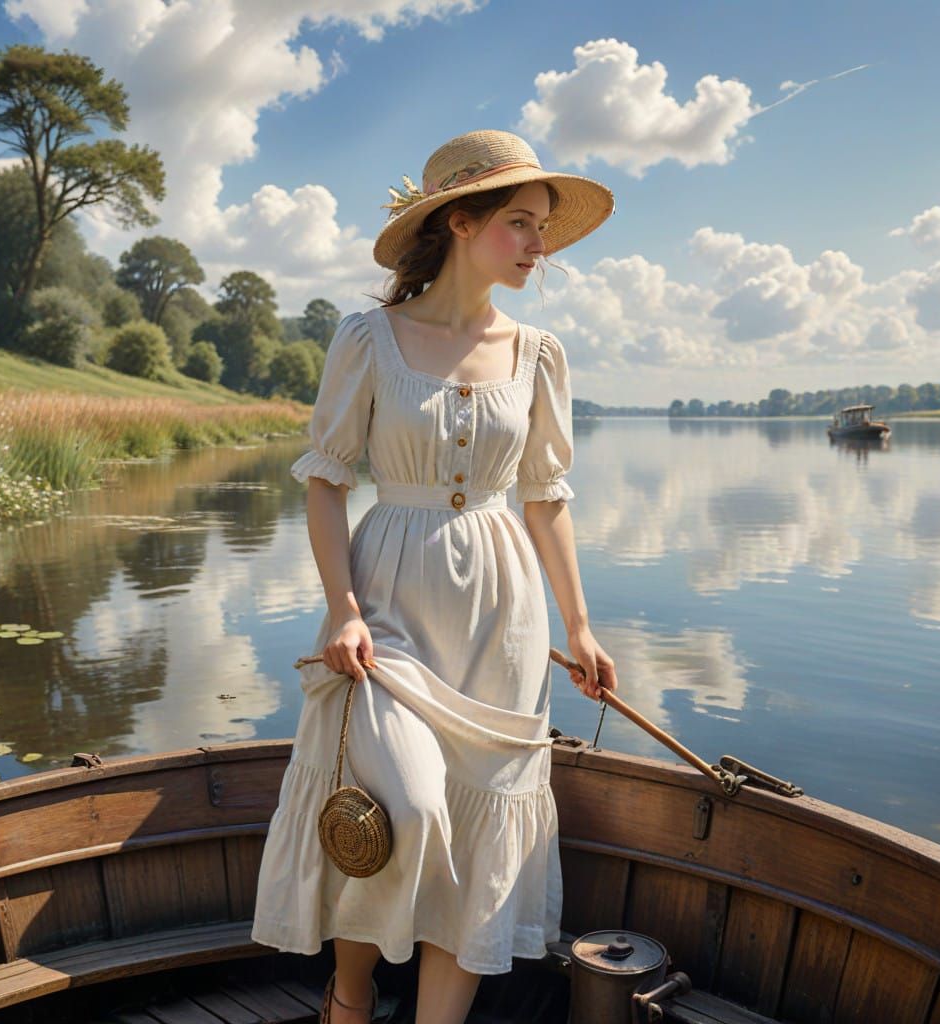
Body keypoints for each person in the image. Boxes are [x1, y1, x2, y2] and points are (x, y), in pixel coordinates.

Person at [251, 129, 620, 1024]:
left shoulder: (539, 354)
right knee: (398, 807)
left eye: (542, 229)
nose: (541, 247)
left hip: (504, 612)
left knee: (483, 828)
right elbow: (328, 479)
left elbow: (544, 499)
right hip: (387, 602)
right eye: (522, 224)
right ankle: (349, 993)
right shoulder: (369, 338)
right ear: (461, 220)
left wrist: (578, 626)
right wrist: (341, 609)